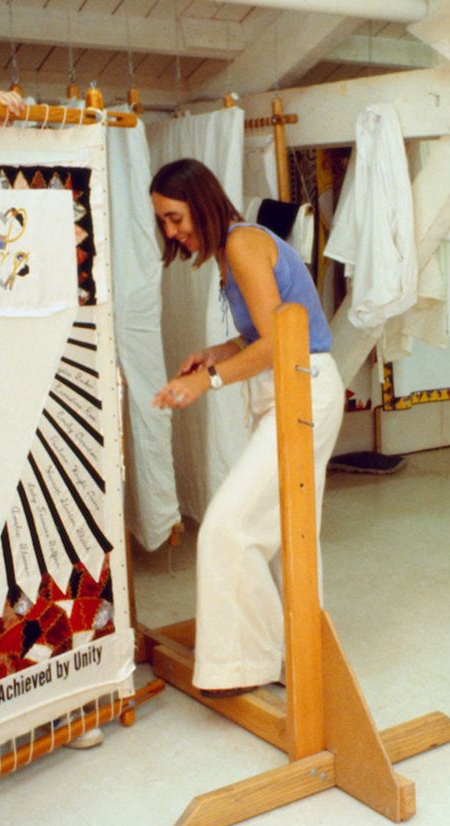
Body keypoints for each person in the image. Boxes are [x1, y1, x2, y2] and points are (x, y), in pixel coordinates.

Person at [150, 158, 344, 691]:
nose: (172, 231)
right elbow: (264, 332)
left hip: (304, 384)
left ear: (200, 200)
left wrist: (207, 380)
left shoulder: (240, 244)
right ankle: (296, 659)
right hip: (292, 384)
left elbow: (282, 340)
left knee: (227, 527)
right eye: (163, 223)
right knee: (288, 530)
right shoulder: (229, 252)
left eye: (174, 217)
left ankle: (249, 664)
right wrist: (212, 355)